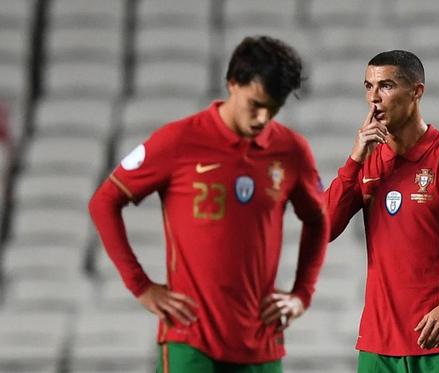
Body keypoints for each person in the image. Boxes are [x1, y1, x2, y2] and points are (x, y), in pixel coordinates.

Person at [88, 36, 329, 373]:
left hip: (261, 340)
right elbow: (104, 202)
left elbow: (318, 219)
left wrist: (302, 294)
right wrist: (140, 285)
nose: (263, 117)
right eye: (256, 104)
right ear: (232, 83)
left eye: (273, 108)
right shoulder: (179, 140)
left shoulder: (291, 151)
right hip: (190, 338)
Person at [324, 50, 439, 372]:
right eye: (368, 87)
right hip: (378, 345)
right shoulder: (369, 160)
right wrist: (355, 160)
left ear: (416, 92)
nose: (373, 99)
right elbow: (325, 228)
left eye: (386, 86)